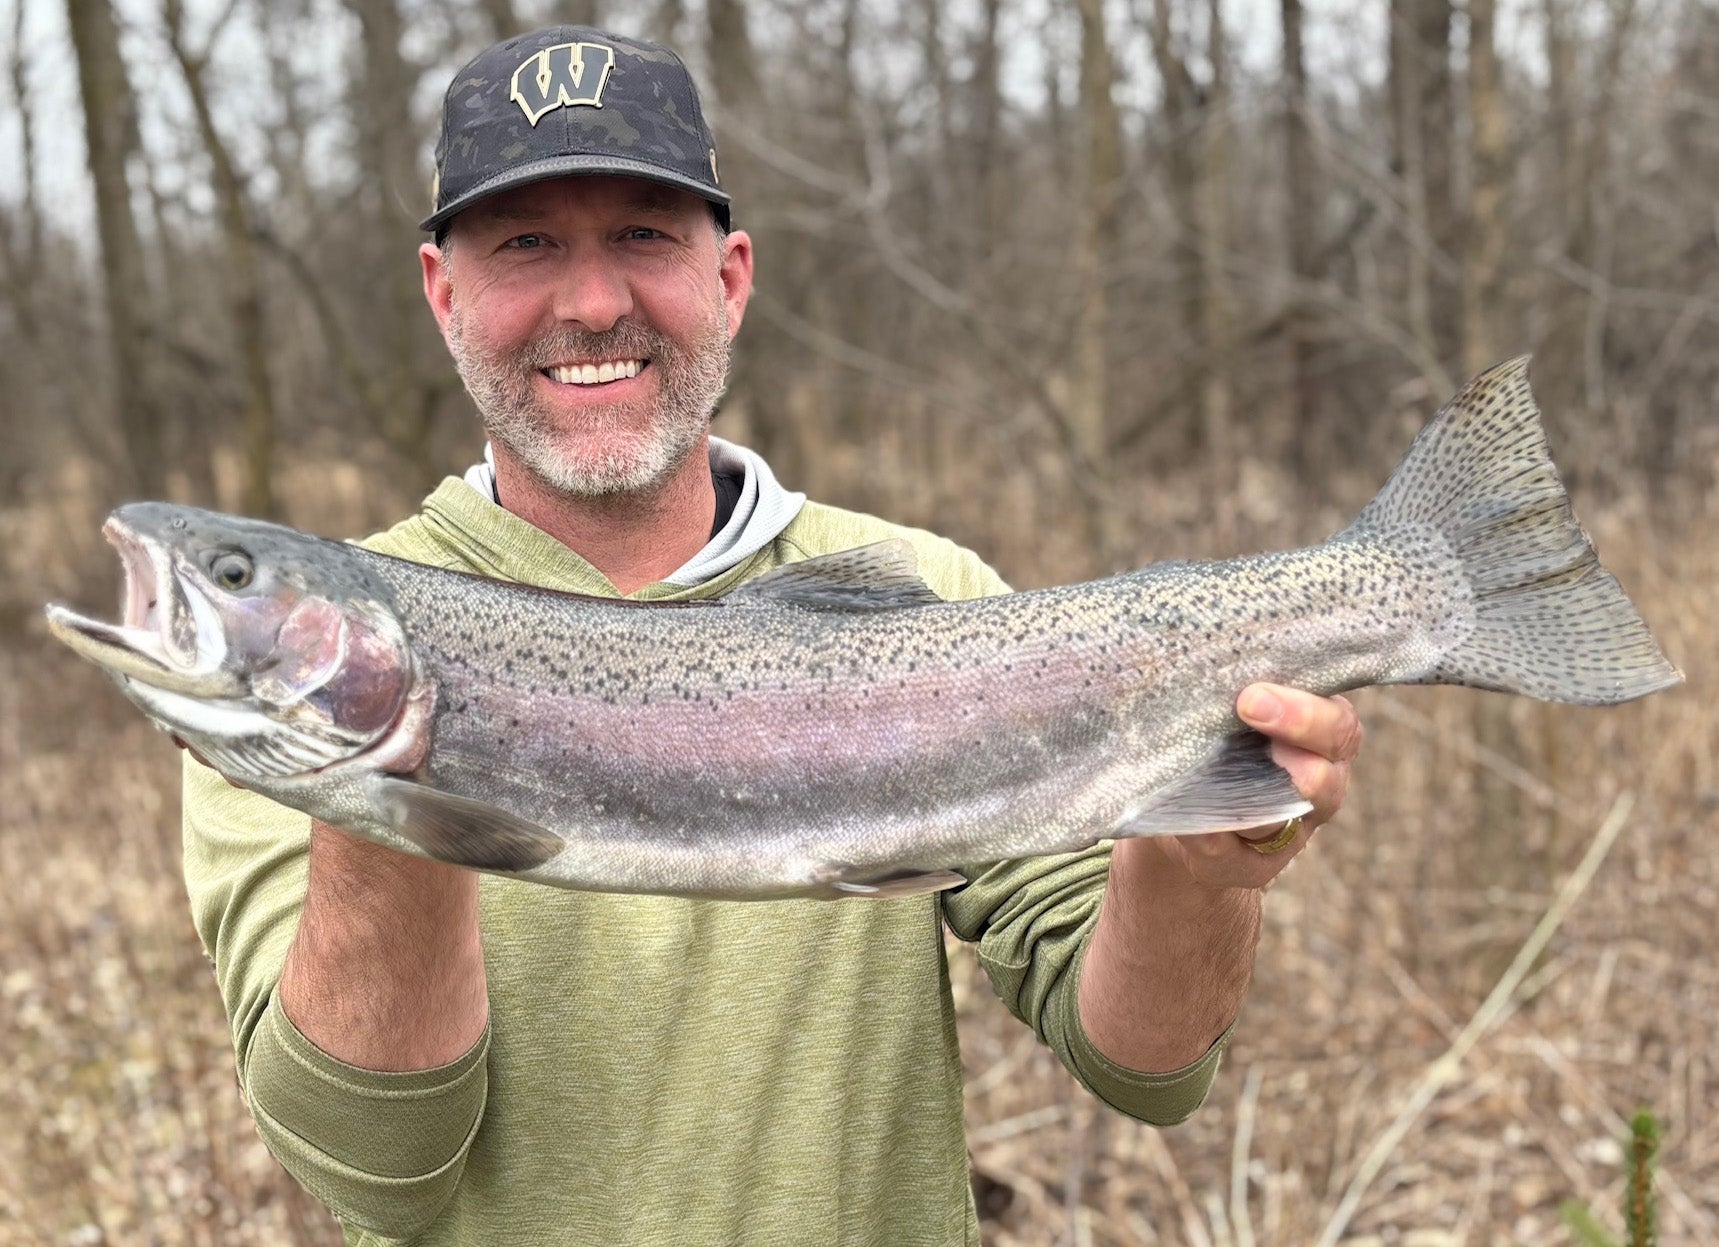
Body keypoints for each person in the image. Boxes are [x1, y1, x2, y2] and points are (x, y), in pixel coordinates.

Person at [181, 24, 1363, 1246]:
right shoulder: (302, 667)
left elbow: (1146, 1068)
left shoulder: (932, 592)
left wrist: (1202, 864)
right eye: (526, 244)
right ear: (443, 292)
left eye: (643, 234)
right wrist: (387, 787)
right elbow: (375, 1172)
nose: (592, 302)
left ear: (731, 276)